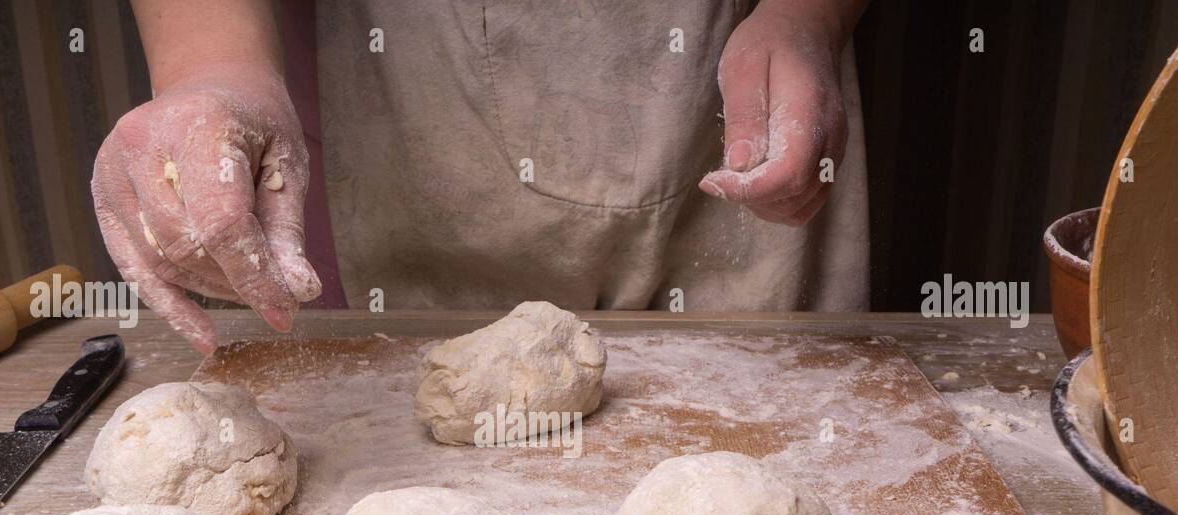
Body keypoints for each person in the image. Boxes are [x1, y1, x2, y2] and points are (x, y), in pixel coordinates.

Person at [93, 0, 869, 354]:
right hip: (406, 99)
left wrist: (811, 15)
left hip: (744, 105)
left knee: (767, 437)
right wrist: (212, 65)